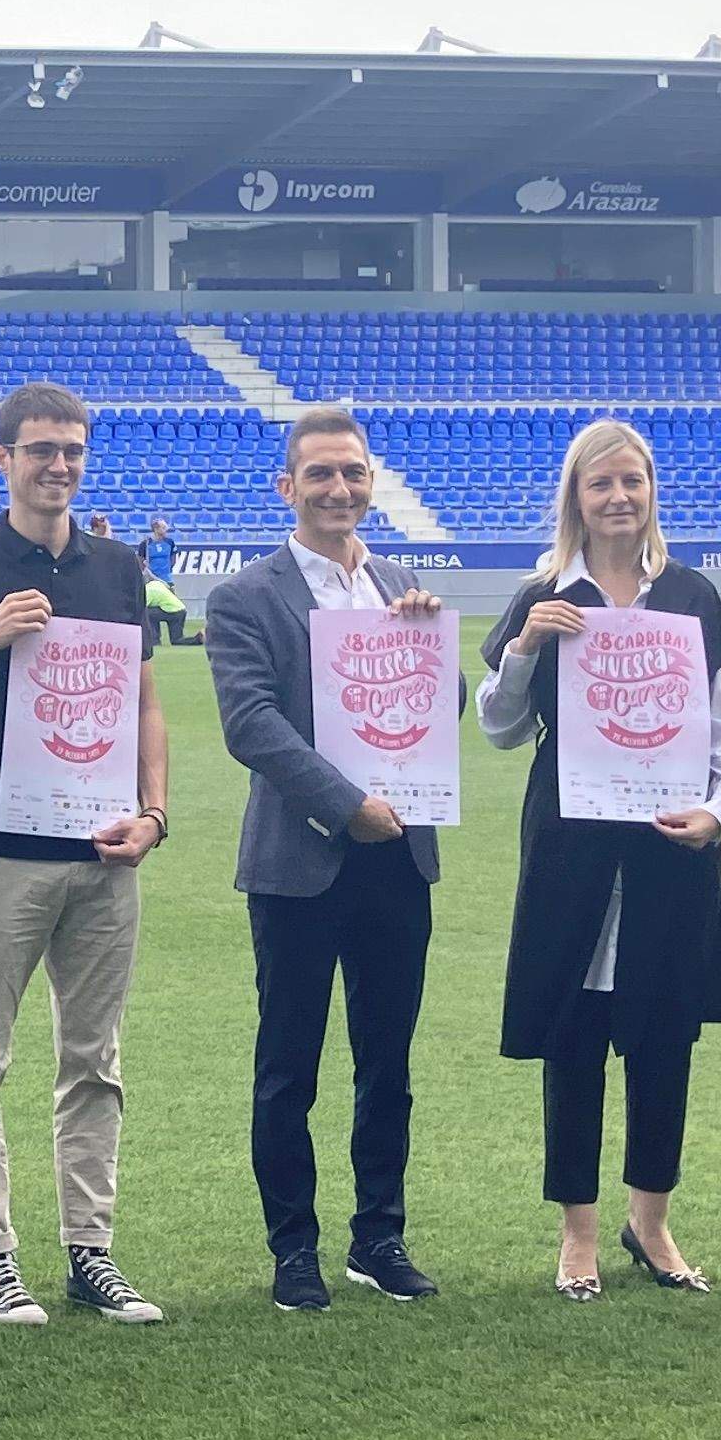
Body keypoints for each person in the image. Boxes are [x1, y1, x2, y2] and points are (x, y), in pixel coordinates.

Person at [0, 381, 170, 1329]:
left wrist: (156, 813)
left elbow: (141, 702)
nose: (58, 466)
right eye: (41, 450)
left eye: (72, 451)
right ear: (2, 459)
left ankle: (91, 1251)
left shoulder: (119, 567)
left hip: (104, 854)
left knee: (95, 1061)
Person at [473, 418, 721, 1301]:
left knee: (665, 1034)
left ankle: (653, 1224)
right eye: (601, 485)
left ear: (650, 492)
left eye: (632, 481)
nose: (619, 498)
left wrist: (716, 812)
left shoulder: (691, 597)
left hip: (672, 853)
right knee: (574, 1035)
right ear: (577, 498)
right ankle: (578, 1237)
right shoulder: (540, 597)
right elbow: (499, 727)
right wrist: (524, 650)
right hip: (571, 853)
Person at [204, 405, 447, 1312]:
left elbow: (440, 706)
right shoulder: (244, 597)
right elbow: (250, 724)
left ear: (371, 481)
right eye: (320, 476)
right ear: (288, 488)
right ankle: (293, 1248)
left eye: (353, 473)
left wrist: (426, 638)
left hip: (401, 860)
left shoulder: (399, 579)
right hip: (301, 862)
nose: (339, 489)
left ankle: (378, 1237)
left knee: (389, 1061)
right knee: (289, 1065)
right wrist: (347, 807)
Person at [143, 511, 199, 646]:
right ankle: (156, 638)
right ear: (156, 529)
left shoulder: (170, 543)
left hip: (166, 579)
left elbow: (173, 559)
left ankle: (160, 638)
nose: (166, 529)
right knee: (153, 610)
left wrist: (167, 572)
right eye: (163, 527)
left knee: (165, 606)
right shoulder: (146, 544)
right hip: (152, 579)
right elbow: (142, 561)